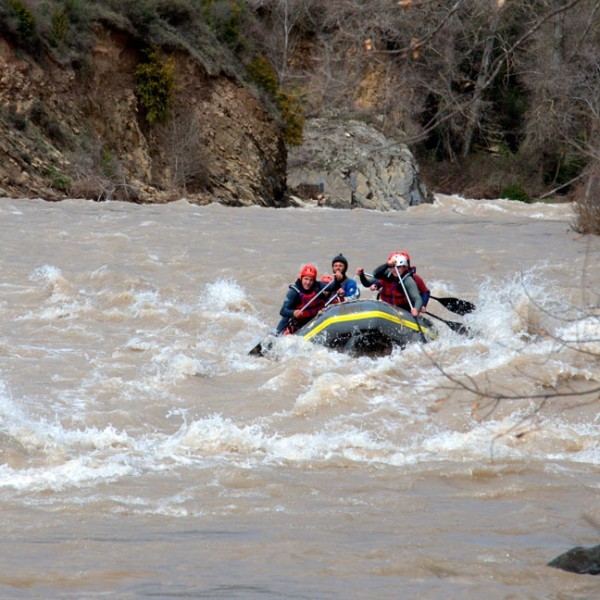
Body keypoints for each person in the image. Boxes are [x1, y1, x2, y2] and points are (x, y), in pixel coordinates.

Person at [356, 252, 423, 317]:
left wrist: (416, 309)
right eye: (393, 267)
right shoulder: (387, 274)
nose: (395, 270)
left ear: (405, 268)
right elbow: (369, 281)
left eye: (399, 267)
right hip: (387, 307)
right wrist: (361, 275)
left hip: (403, 310)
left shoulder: (408, 280)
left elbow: (417, 298)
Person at [276, 264, 333, 334]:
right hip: (299, 323)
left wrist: (338, 281)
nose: (308, 282)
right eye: (306, 279)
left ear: (314, 281)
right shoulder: (293, 292)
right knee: (285, 318)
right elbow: (283, 311)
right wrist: (293, 312)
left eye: (311, 280)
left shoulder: (318, 287)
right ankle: (276, 334)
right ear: (301, 278)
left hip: (313, 320)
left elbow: (332, 287)